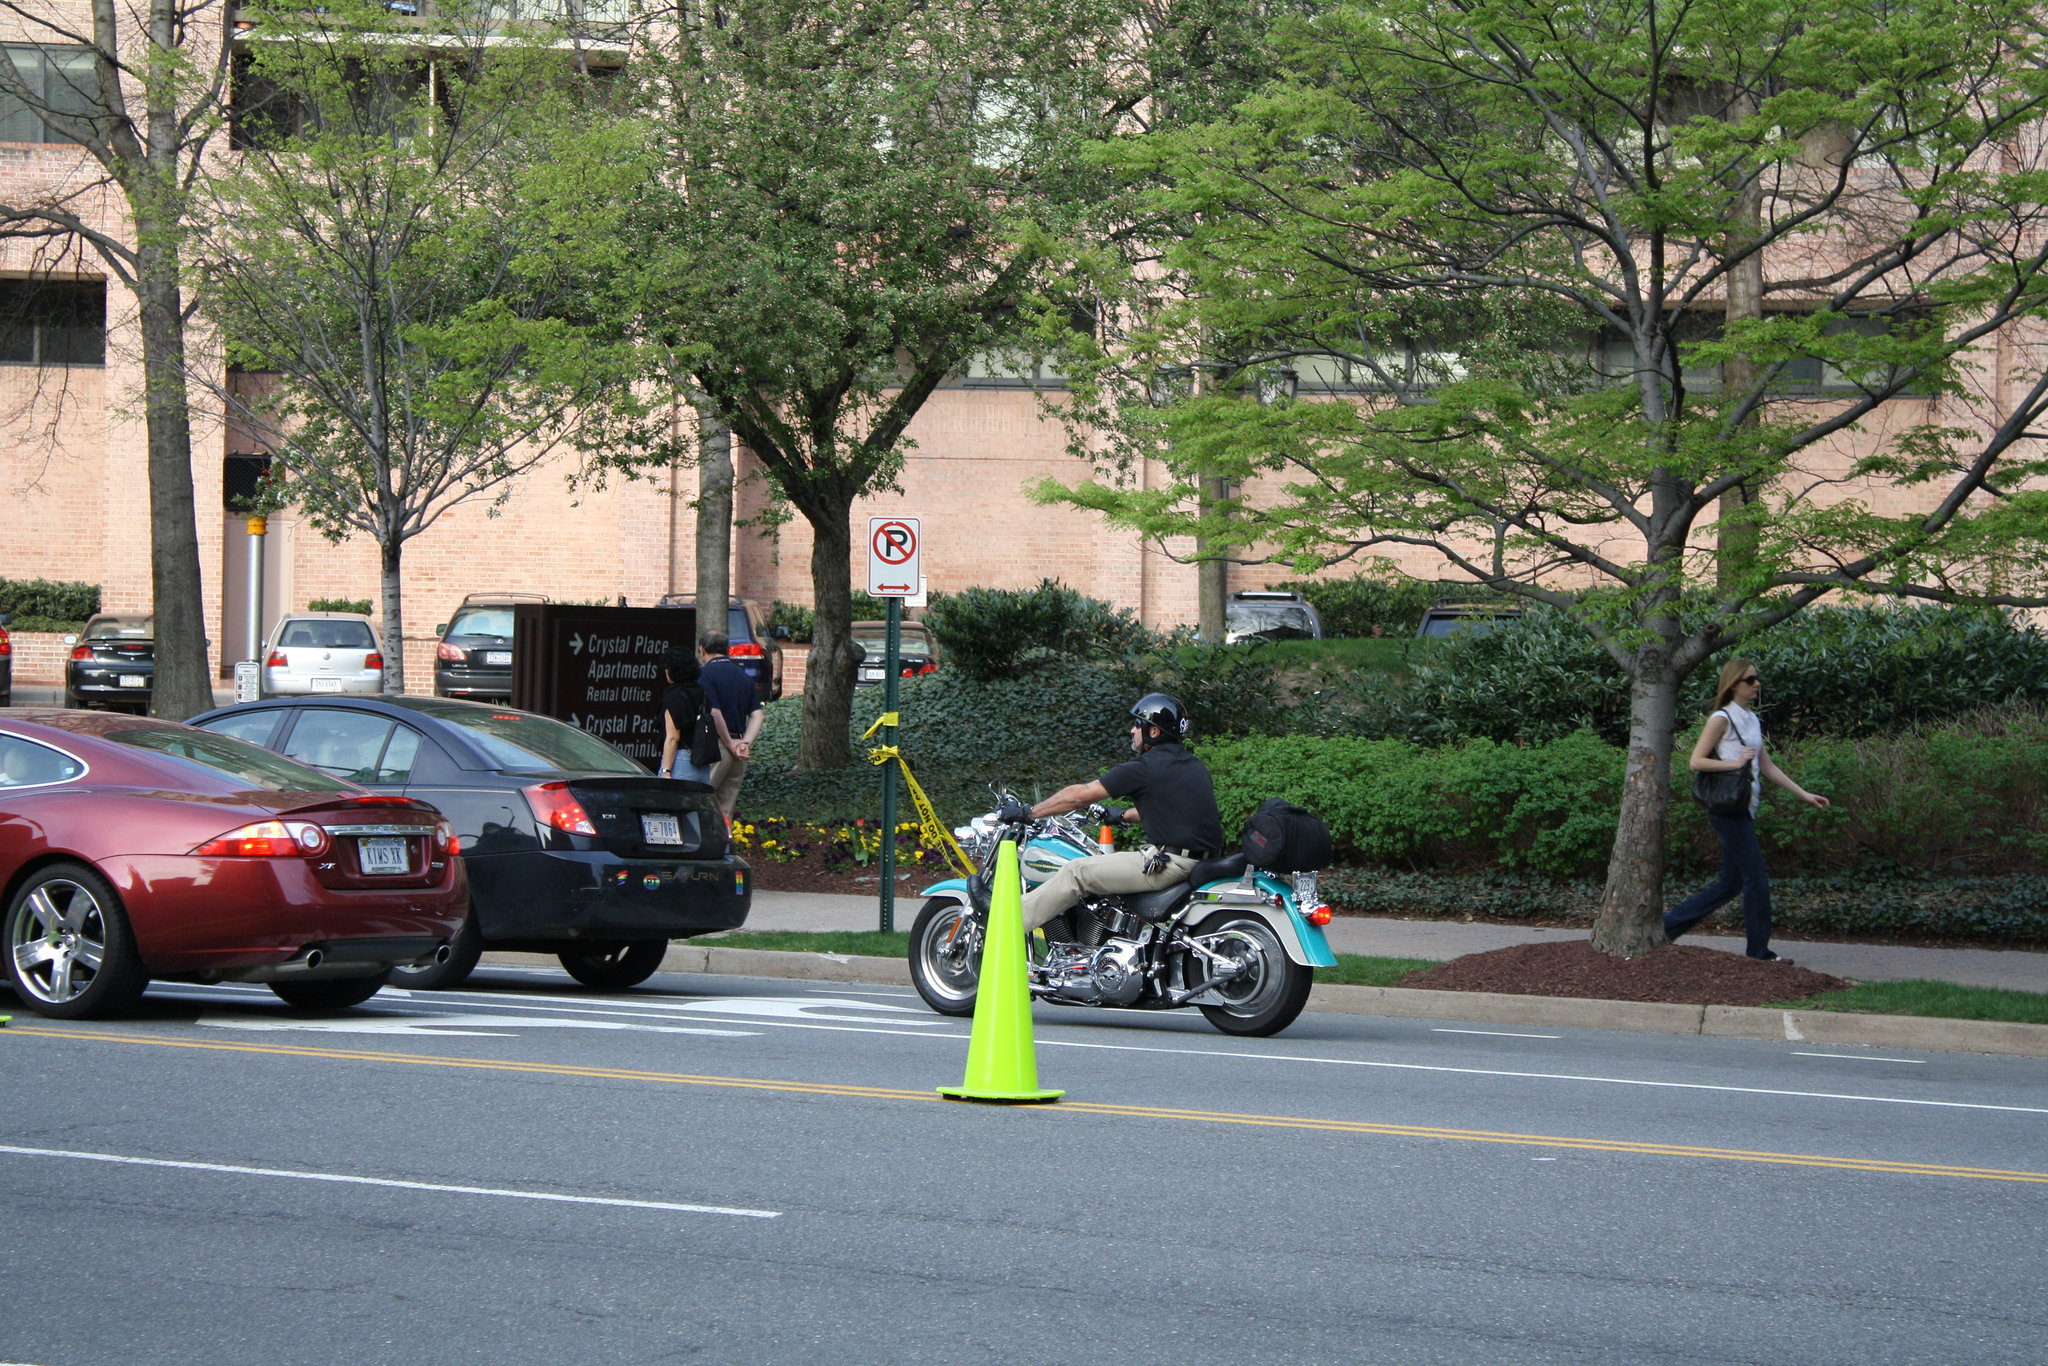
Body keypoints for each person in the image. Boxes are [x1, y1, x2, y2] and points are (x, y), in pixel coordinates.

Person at [1665, 657, 1831, 962]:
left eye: (1757, 679)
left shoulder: (1751, 719)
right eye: (1750, 680)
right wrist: (1735, 763)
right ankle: (1759, 953)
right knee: (1756, 879)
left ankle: (1665, 929)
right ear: (1733, 683)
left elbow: (1766, 766)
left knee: (1731, 884)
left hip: (1744, 807)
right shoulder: (1722, 718)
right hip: (1727, 809)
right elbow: (1696, 761)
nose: (1757, 684)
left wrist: (1804, 794)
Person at [1015, 693, 1225, 932]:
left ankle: (1005, 925)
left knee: (1076, 871)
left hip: (1170, 864)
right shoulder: (1193, 765)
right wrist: (1121, 816)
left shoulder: (1144, 767)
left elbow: (1079, 795)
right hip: (1203, 861)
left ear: (1154, 732)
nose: (1132, 731)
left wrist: (1030, 812)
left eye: (1138, 724)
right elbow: (1169, 807)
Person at [698, 630, 761, 819]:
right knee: (726, 809)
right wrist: (744, 744)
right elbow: (758, 715)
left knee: (702, 799)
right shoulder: (743, 676)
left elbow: (714, 712)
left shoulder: (705, 675)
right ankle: (725, 845)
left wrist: (728, 744)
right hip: (739, 750)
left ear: (702, 650)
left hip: (716, 746)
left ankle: (704, 847)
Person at [657, 647, 712, 785]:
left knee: (670, 804)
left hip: (680, 760)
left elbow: (673, 737)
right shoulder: (701, 692)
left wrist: (666, 770)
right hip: (702, 760)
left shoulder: (672, 696)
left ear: (672, 670)